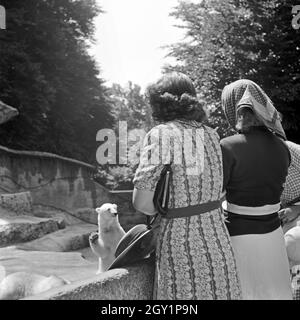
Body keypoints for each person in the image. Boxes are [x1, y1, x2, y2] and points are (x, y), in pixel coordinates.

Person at [132, 72, 242, 300]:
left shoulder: (160, 134)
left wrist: (161, 207)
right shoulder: (211, 135)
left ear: (159, 102)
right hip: (218, 241)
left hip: (181, 245)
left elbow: (142, 202)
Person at [220, 79, 293, 300]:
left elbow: (212, 196)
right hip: (273, 239)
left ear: (233, 108)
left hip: (239, 239)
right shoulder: (283, 148)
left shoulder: (227, 146)